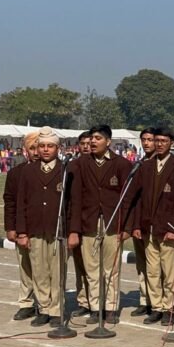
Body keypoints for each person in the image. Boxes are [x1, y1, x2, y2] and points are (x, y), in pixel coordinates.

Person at [67, 125, 132, 325]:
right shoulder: (80, 165)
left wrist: (127, 227)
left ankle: (111, 308)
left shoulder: (121, 164)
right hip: (89, 222)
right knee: (92, 269)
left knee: (111, 269)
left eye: (97, 138)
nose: (93, 142)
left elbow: (128, 199)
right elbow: (76, 199)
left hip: (112, 223)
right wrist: (74, 230)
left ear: (108, 141)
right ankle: (95, 308)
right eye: (91, 138)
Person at [133, 127, 174, 326]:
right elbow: (139, 198)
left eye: (163, 141)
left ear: (171, 143)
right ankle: (156, 307)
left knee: (168, 271)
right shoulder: (146, 166)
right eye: (156, 141)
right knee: (152, 270)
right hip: (148, 226)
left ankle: (169, 307)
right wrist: (138, 224)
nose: (159, 144)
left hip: (167, 229)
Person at [14, 127, 66, 328]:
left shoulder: (67, 169)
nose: (45, 150)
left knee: (57, 271)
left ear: (58, 148)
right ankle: (43, 308)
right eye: (42, 146)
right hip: (35, 228)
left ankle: (56, 309)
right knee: (39, 271)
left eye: (50, 146)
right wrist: (22, 232)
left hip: (58, 229)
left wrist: (72, 232)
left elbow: (73, 203)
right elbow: (21, 202)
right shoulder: (27, 171)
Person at [4, 132, 40, 321]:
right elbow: (9, 202)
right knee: (25, 267)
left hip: (46, 229)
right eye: (32, 148)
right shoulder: (16, 173)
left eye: (38, 147)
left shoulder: (56, 171)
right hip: (22, 227)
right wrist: (11, 228)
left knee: (47, 269)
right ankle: (26, 303)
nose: (36, 152)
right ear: (25, 150)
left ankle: (47, 305)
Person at [128, 128, 157, 317]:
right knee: (142, 264)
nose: (147, 143)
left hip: (156, 223)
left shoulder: (158, 164)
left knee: (156, 266)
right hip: (139, 222)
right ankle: (144, 298)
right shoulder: (138, 164)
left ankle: (157, 303)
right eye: (144, 140)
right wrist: (134, 225)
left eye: (150, 140)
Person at [70, 131, 94, 318]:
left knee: (94, 266)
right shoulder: (72, 166)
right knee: (80, 267)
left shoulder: (96, 165)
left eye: (89, 143)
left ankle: (97, 303)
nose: (86, 146)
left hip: (92, 221)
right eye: (83, 143)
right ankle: (83, 300)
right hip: (74, 221)